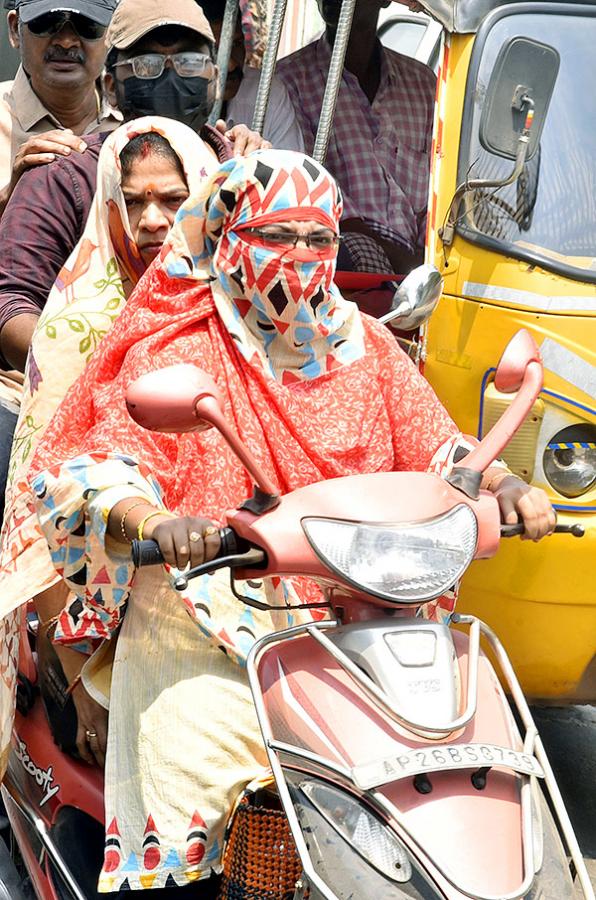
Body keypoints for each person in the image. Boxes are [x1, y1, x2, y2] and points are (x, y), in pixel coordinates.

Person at [12, 150, 554, 892]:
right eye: (276, 237)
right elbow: (102, 464)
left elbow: (437, 445)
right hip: (210, 620)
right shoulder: (180, 347)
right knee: (190, 783)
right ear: (229, 240)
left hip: (366, 618)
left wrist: (502, 479)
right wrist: (155, 518)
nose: (299, 259)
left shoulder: (370, 347)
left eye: (317, 240)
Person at [0, 115, 222, 774]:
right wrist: (76, 676)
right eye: (135, 200)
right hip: (91, 614)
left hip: (218, 583)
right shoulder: (78, 325)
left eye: (174, 199)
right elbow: (43, 512)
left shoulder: (236, 309)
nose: (154, 219)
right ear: (111, 206)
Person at [0, 0, 267, 523]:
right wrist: (109, 365)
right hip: (60, 399)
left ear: (216, 78)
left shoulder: (243, 176)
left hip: (217, 407)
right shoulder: (63, 171)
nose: (152, 221)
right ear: (113, 83)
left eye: (189, 64)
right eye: (146, 65)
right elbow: (12, 304)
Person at [276, 0, 436, 274]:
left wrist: (427, 262)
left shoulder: (421, 83)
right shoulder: (290, 79)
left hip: (419, 257)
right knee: (357, 250)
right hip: (341, 253)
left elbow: (438, 183)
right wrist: (405, 265)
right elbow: (312, 188)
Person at [0, 0, 120, 215]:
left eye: (87, 25)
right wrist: (10, 199)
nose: (66, 42)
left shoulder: (135, 120)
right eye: (47, 22)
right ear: (15, 29)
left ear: (113, 34)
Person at [201, 0, 304, 150]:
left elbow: (291, 163)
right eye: (213, 51)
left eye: (235, 44)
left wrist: (258, 160)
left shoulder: (266, 92)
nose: (230, 65)